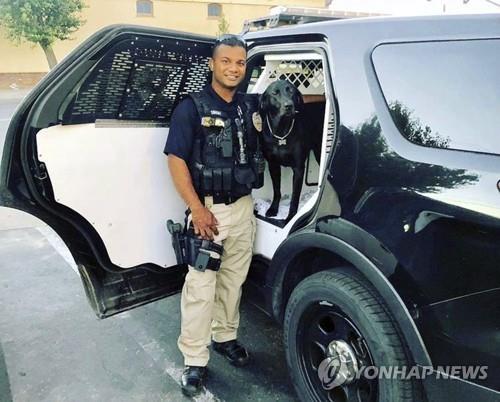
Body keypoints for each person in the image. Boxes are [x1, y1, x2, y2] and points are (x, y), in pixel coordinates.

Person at [163, 35, 263, 397]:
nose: (234, 68)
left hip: (243, 207)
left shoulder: (248, 105)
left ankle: (224, 337)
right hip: (209, 211)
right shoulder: (190, 108)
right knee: (201, 288)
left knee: (233, 281)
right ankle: (194, 359)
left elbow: (295, 103)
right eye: (226, 61)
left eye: (240, 62)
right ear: (212, 64)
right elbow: (176, 160)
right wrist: (197, 208)